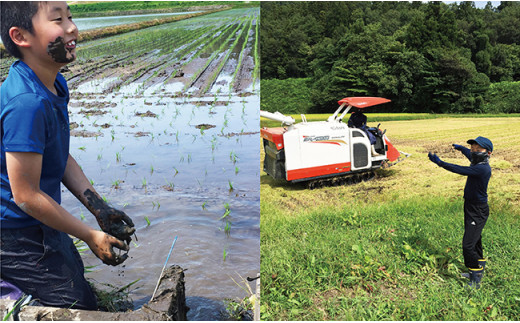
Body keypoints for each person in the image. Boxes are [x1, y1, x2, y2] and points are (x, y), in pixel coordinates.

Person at [1, 2, 135, 309]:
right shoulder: (27, 103)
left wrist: (97, 207)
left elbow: (58, 155)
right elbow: (25, 195)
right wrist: (89, 235)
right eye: (58, 20)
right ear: (21, 36)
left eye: (70, 17)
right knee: (77, 308)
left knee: (78, 284)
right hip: (12, 233)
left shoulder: (54, 84)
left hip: (37, 221)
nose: (72, 27)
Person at [428, 136, 493, 289]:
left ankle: (475, 275)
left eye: (478, 149)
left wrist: (440, 163)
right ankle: (479, 267)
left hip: (478, 210)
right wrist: (460, 148)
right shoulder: (478, 160)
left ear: (488, 153)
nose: (474, 151)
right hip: (471, 206)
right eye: (473, 148)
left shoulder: (482, 168)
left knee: (468, 245)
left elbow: (460, 169)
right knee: (475, 239)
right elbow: (468, 153)